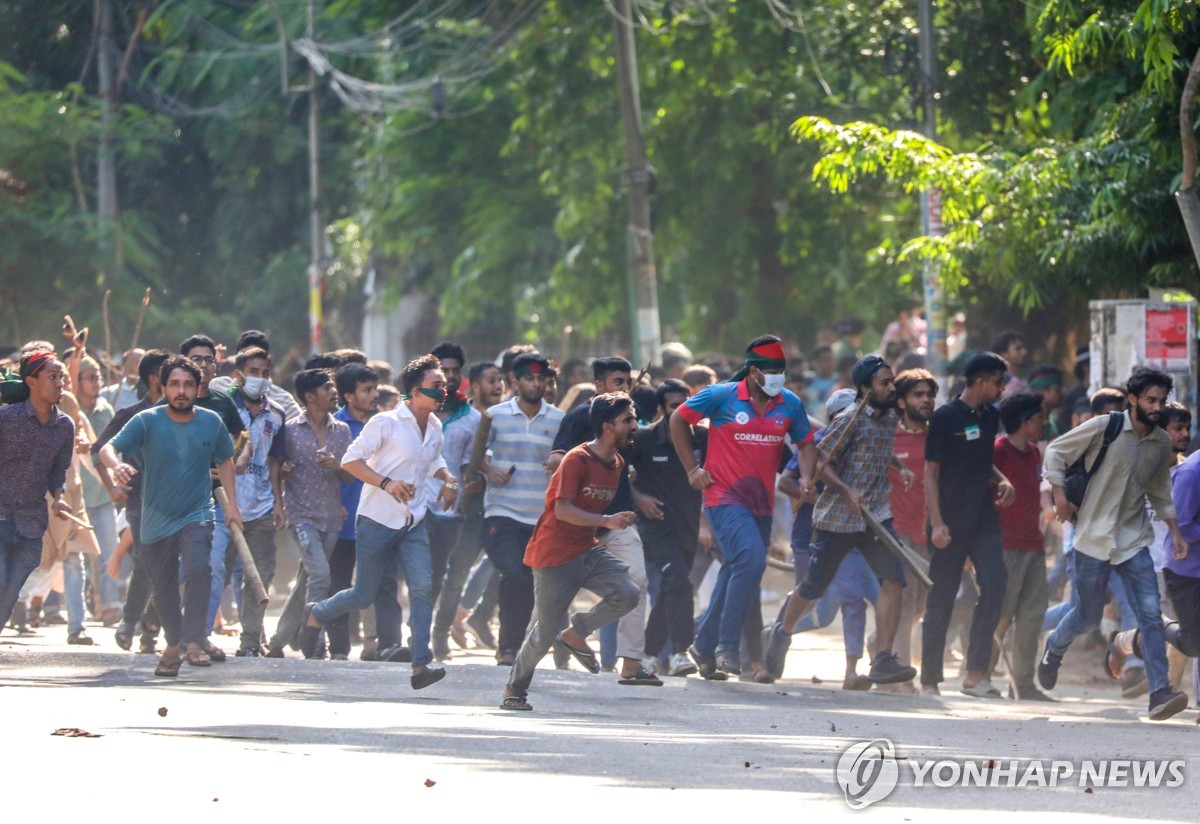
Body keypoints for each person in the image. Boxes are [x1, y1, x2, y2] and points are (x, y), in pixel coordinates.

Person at [1039, 366, 1189, 721]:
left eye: (1161, 401)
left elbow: (1160, 492)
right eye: (1150, 400)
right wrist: (1059, 496)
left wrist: (1176, 533)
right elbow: (1055, 453)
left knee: (1150, 615)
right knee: (1088, 615)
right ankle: (1054, 648)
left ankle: (1159, 693)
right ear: (1133, 399)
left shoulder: (1161, 443)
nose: (1156, 407)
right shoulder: (1103, 427)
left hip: (1134, 541)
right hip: (1092, 538)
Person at [301, 355, 458, 690]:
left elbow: (433, 459)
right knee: (363, 594)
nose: (443, 391)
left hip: (412, 521)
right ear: (415, 392)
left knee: (421, 589)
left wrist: (448, 479)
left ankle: (420, 665)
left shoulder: (434, 426)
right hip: (376, 520)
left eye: (444, 385)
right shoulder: (384, 423)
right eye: (436, 387)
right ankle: (317, 613)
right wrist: (386, 483)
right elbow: (351, 461)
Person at [764, 356, 918, 685]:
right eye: (884, 383)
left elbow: (879, 447)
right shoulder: (849, 420)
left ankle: (883, 659)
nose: (891, 388)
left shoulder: (890, 418)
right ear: (865, 389)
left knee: (894, 581)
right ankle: (782, 631)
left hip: (876, 514)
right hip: (837, 518)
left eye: (892, 382)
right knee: (814, 587)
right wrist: (846, 491)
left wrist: (900, 468)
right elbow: (822, 460)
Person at [671, 335, 816, 678]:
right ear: (752, 372)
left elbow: (806, 443)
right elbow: (679, 419)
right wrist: (693, 469)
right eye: (771, 370)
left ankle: (702, 644)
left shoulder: (789, 403)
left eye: (782, 369)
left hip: (761, 503)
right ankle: (726, 646)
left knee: (738, 565)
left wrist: (807, 478)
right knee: (750, 560)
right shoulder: (721, 395)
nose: (778, 376)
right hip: (723, 496)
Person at [499, 393, 642, 711]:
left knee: (628, 593)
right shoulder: (577, 460)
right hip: (554, 555)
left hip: (586, 550)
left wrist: (614, 521)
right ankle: (515, 687)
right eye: (627, 420)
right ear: (607, 427)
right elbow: (562, 511)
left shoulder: (616, 463)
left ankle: (576, 633)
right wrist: (607, 520)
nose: (634, 426)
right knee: (544, 632)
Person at [101, 357, 242, 676]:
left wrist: (233, 505)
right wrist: (116, 466)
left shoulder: (211, 422)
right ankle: (174, 644)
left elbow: (226, 461)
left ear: (197, 388)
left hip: (197, 512)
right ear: (162, 388)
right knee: (161, 585)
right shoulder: (147, 420)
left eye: (188, 385)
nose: (182, 391)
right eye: (175, 385)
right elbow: (109, 448)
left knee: (199, 566)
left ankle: (194, 640)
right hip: (155, 517)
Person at [548, 356, 657, 684]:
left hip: (619, 520)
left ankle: (631, 664)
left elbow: (632, 465)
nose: (625, 388)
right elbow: (556, 459)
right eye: (617, 382)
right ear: (599, 387)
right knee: (555, 594)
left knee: (636, 583)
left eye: (627, 381)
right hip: (578, 524)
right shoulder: (581, 416)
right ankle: (526, 661)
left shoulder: (632, 420)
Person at [921, 352, 1016, 697]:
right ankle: (930, 678)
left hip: (984, 519)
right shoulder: (945, 417)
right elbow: (930, 474)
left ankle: (976, 673)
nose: (1002, 389)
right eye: (998, 382)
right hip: (949, 521)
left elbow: (982, 462)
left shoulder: (990, 417)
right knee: (942, 598)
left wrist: (1002, 480)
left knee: (995, 582)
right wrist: (937, 523)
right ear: (980, 381)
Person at [481, 352, 565, 665]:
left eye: (541, 378)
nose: (536, 384)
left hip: (541, 515)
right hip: (502, 511)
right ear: (515, 382)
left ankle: (527, 648)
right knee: (513, 574)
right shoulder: (495, 415)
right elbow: (475, 455)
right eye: (529, 378)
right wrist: (489, 472)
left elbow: (569, 459)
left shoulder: (558, 418)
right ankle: (508, 647)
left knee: (535, 581)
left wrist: (559, 463)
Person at [267, 369, 352, 658]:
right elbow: (276, 468)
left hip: (330, 517)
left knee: (308, 579)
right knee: (320, 575)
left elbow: (350, 475)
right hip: (300, 517)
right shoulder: (289, 430)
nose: (333, 392)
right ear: (309, 396)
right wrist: (279, 504)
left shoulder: (342, 431)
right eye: (327, 387)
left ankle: (278, 641)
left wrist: (338, 466)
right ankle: (313, 640)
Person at [91, 348, 172, 652]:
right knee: (147, 558)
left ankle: (151, 624)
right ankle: (131, 621)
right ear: (155, 379)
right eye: (170, 376)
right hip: (140, 501)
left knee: (173, 564)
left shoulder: (186, 416)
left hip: (179, 503)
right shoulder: (130, 415)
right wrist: (112, 487)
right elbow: (99, 449)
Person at [628, 378, 706, 677]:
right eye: (675, 406)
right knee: (678, 579)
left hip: (687, 529)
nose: (682, 411)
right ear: (661, 408)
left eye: (687, 405)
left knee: (671, 590)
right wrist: (639, 498)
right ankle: (679, 651)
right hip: (654, 527)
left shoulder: (703, 439)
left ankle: (648, 654)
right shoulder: (645, 439)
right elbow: (620, 474)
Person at [216, 347, 288, 657]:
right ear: (239, 375)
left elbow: (274, 462)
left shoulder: (276, 415)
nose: (259, 379)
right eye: (253, 372)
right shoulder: (223, 409)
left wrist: (278, 502)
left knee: (261, 574)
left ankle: (249, 642)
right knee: (214, 572)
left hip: (259, 507)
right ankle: (192, 634)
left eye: (265, 373)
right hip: (223, 504)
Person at [432, 361, 505, 659]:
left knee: (509, 567)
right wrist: (475, 475)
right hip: (466, 507)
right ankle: (439, 633)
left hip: (502, 505)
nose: (497, 386)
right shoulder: (464, 418)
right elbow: (468, 462)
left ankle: (491, 625)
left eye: (499, 380)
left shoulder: (505, 417)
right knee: (456, 573)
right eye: (491, 380)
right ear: (475, 386)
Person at [0, 351, 75, 631]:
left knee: (8, 597)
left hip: (31, 526)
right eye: (52, 377)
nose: (60, 383)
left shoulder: (64, 426)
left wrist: (60, 497)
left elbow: (58, 472)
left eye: (62, 378)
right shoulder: (6, 419)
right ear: (31, 381)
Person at [989, 392, 1053, 700]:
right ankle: (983, 677)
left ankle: (1024, 684)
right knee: (999, 615)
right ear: (1026, 422)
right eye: (1039, 417)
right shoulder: (997, 452)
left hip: (1033, 545)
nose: (1044, 422)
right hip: (1004, 546)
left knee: (1032, 616)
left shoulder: (1035, 454)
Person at [887, 368, 937, 685]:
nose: (926, 400)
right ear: (902, 402)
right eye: (918, 394)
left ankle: (880, 641)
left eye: (929, 394)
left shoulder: (938, 438)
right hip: (896, 532)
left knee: (920, 604)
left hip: (928, 532)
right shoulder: (889, 437)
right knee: (906, 601)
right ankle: (901, 675)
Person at [74, 355, 121, 631]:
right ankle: (57, 605)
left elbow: (114, 447)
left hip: (103, 494)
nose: (96, 381)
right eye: (90, 377)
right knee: (73, 557)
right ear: (77, 381)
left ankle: (109, 605)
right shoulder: (68, 408)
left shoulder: (106, 411)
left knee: (107, 551)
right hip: (74, 496)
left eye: (98, 376)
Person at [209, 329, 301, 420]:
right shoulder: (218, 386)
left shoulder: (284, 401)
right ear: (237, 360)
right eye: (246, 357)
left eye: (257, 357)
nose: (252, 362)